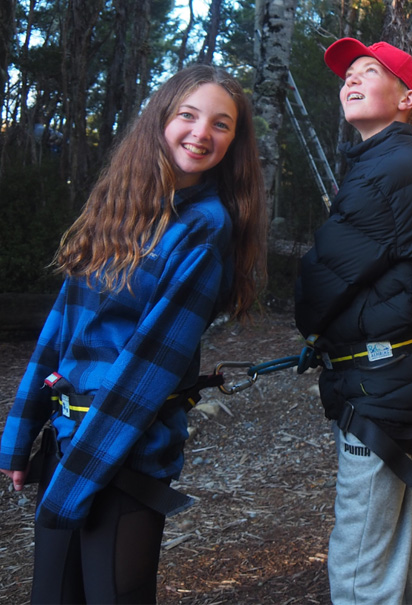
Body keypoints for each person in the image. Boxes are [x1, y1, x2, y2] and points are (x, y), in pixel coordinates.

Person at [0, 64, 267, 603]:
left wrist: (73, 484)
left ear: (234, 142)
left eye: (221, 124)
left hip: (126, 457)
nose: (201, 133)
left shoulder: (205, 227)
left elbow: (148, 368)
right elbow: (61, 325)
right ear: (160, 119)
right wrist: (19, 434)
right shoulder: (120, 206)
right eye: (188, 116)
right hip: (66, 441)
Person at [294, 39, 412, 604]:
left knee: (361, 552)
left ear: (407, 98)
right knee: (396, 535)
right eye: (349, 75)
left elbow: (319, 283)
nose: (352, 80)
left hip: (379, 382)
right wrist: (393, 313)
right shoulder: (399, 165)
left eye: (371, 72)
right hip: (395, 376)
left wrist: (357, 324)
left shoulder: (385, 169)